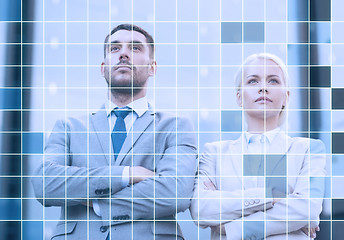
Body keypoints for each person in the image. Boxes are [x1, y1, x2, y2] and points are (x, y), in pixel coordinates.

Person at [32, 24, 197, 240]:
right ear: (103, 68)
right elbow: (45, 184)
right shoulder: (68, 127)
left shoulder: (176, 126)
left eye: (135, 48)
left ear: (152, 67)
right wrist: (126, 175)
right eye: (114, 48)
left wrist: (98, 202)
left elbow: (175, 193)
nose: (124, 53)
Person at [190, 53, 326, 240]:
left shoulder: (308, 150)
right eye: (253, 81)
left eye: (273, 81)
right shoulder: (214, 152)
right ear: (239, 97)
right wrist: (269, 196)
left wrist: (232, 228)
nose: (263, 88)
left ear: (286, 96)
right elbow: (201, 210)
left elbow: (307, 209)